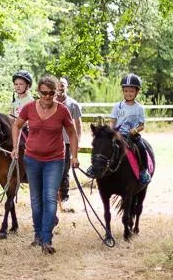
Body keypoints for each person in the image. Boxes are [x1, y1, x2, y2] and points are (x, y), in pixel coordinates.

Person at [12, 74, 79, 255]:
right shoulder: (29, 108)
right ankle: (37, 235)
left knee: (49, 198)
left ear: (56, 93)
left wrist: (74, 156)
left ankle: (46, 239)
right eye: (43, 93)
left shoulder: (63, 111)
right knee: (36, 199)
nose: (47, 97)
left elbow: (72, 133)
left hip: (54, 160)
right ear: (38, 92)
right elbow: (17, 125)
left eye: (51, 93)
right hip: (32, 159)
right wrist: (16, 147)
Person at [86, 73, 147, 180]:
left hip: (132, 135)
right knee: (102, 145)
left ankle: (143, 170)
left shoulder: (139, 108)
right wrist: (112, 132)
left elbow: (142, 126)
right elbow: (112, 122)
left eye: (132, 91)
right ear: (122, 91)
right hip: (117, 134)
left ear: (137, 92)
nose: (129, 93)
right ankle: (94, 167)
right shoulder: (117, 106)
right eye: (126, 91)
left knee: (141, 147)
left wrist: (135, 130)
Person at [55, 77, 82, 205]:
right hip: (52, 142)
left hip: (66, 142)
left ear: (67, 87)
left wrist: (78, 142)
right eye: (58, 85)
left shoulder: (73, 104)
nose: (60, 87)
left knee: (64, 169)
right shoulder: (50, 103)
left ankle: (64, 195)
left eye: (63, 85)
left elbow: (78, 125)